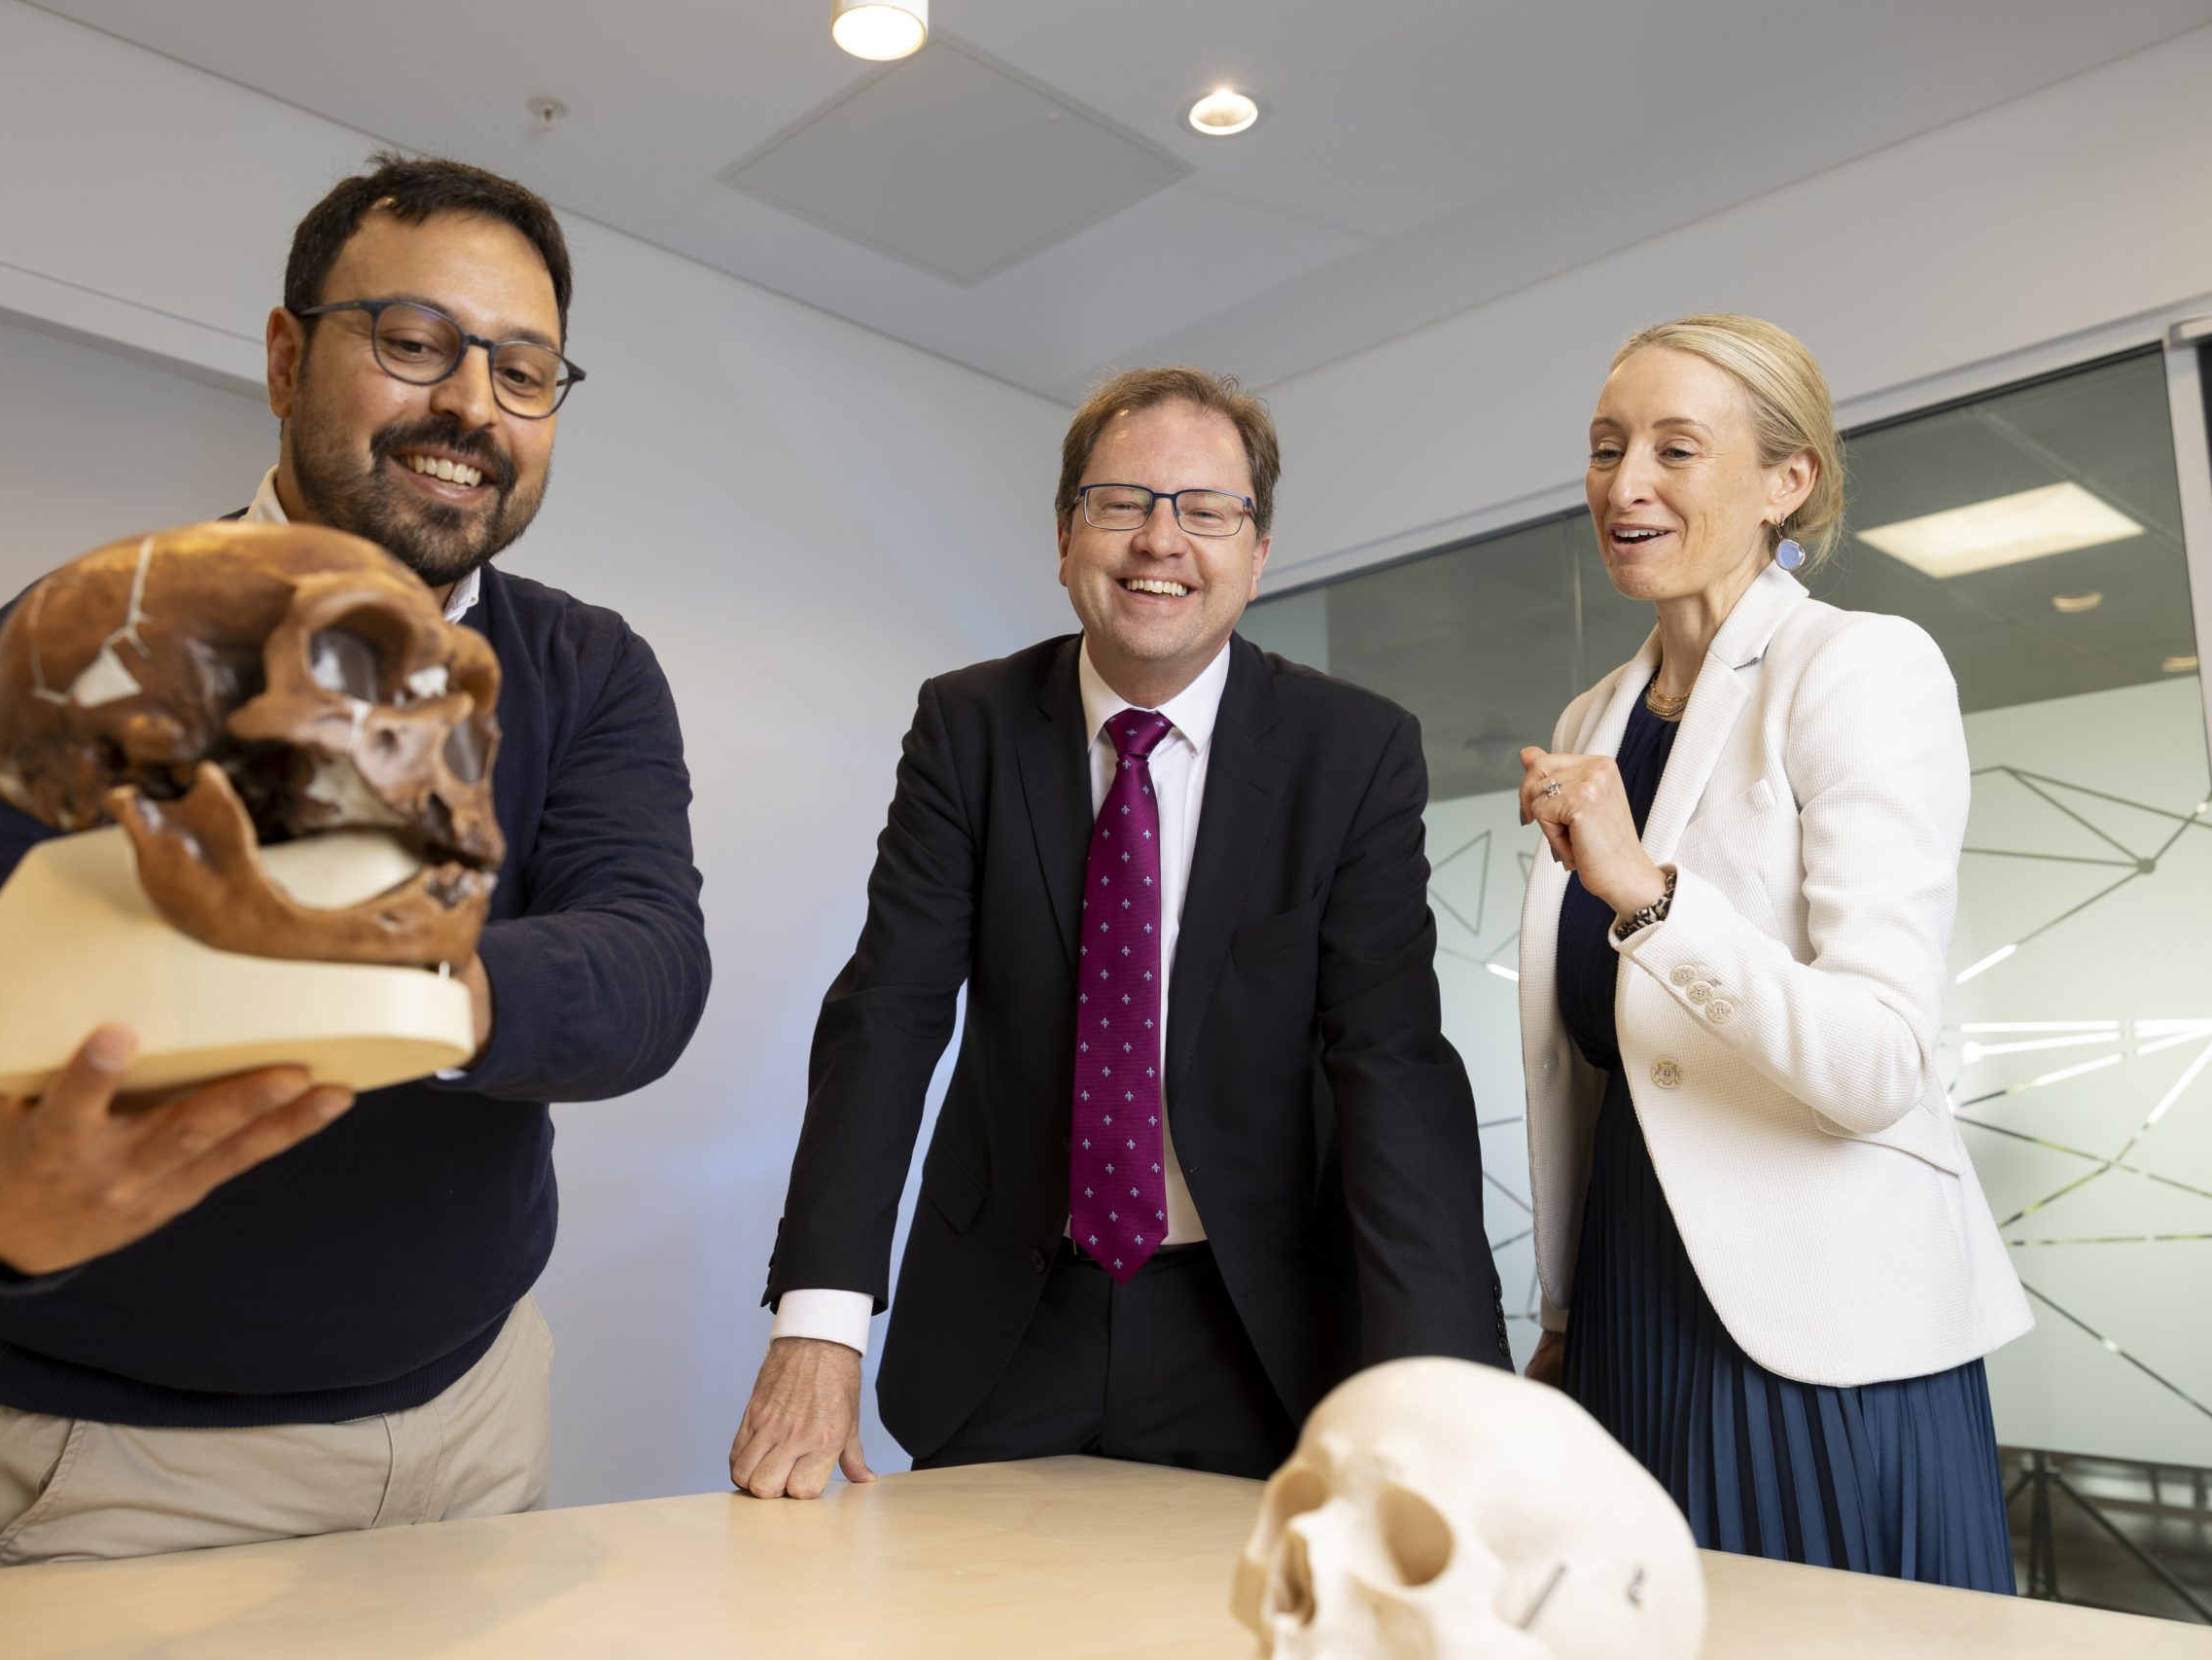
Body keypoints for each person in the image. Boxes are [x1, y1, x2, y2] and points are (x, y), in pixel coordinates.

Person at [0, 155, 711, 1568]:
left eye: (524, 371)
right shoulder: (84, 639)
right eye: (414, 342)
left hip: (476, 1413)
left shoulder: (586, 667)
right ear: (287, 356)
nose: (471, 400)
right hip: (135, 1469)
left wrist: (406, 987)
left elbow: (647, 961)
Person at [729, 366, 1508, 1501]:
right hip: (1005, 1314)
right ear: (1063, 536)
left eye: (1205, 509)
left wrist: (1444, 1383)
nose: (1161, 542)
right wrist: (820, 1324)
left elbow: (1389, 1061)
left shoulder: (1352, 752)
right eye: (1121, 503)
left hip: (1255, 1328)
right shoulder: (969, 727)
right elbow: (889, 1015)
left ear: (1258, 549)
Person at [1515, 313, 2030, 1589]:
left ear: (1785, 481)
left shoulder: (1859, 666)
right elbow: (1590, 1065)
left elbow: (1877, 1061)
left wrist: (1649, 892)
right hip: (1635, 1291)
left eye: (1676, 448)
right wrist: (1569, 1311)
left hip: (1825, 1319)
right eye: (1605, 446)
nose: (1625, 483)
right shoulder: (1594, 717)